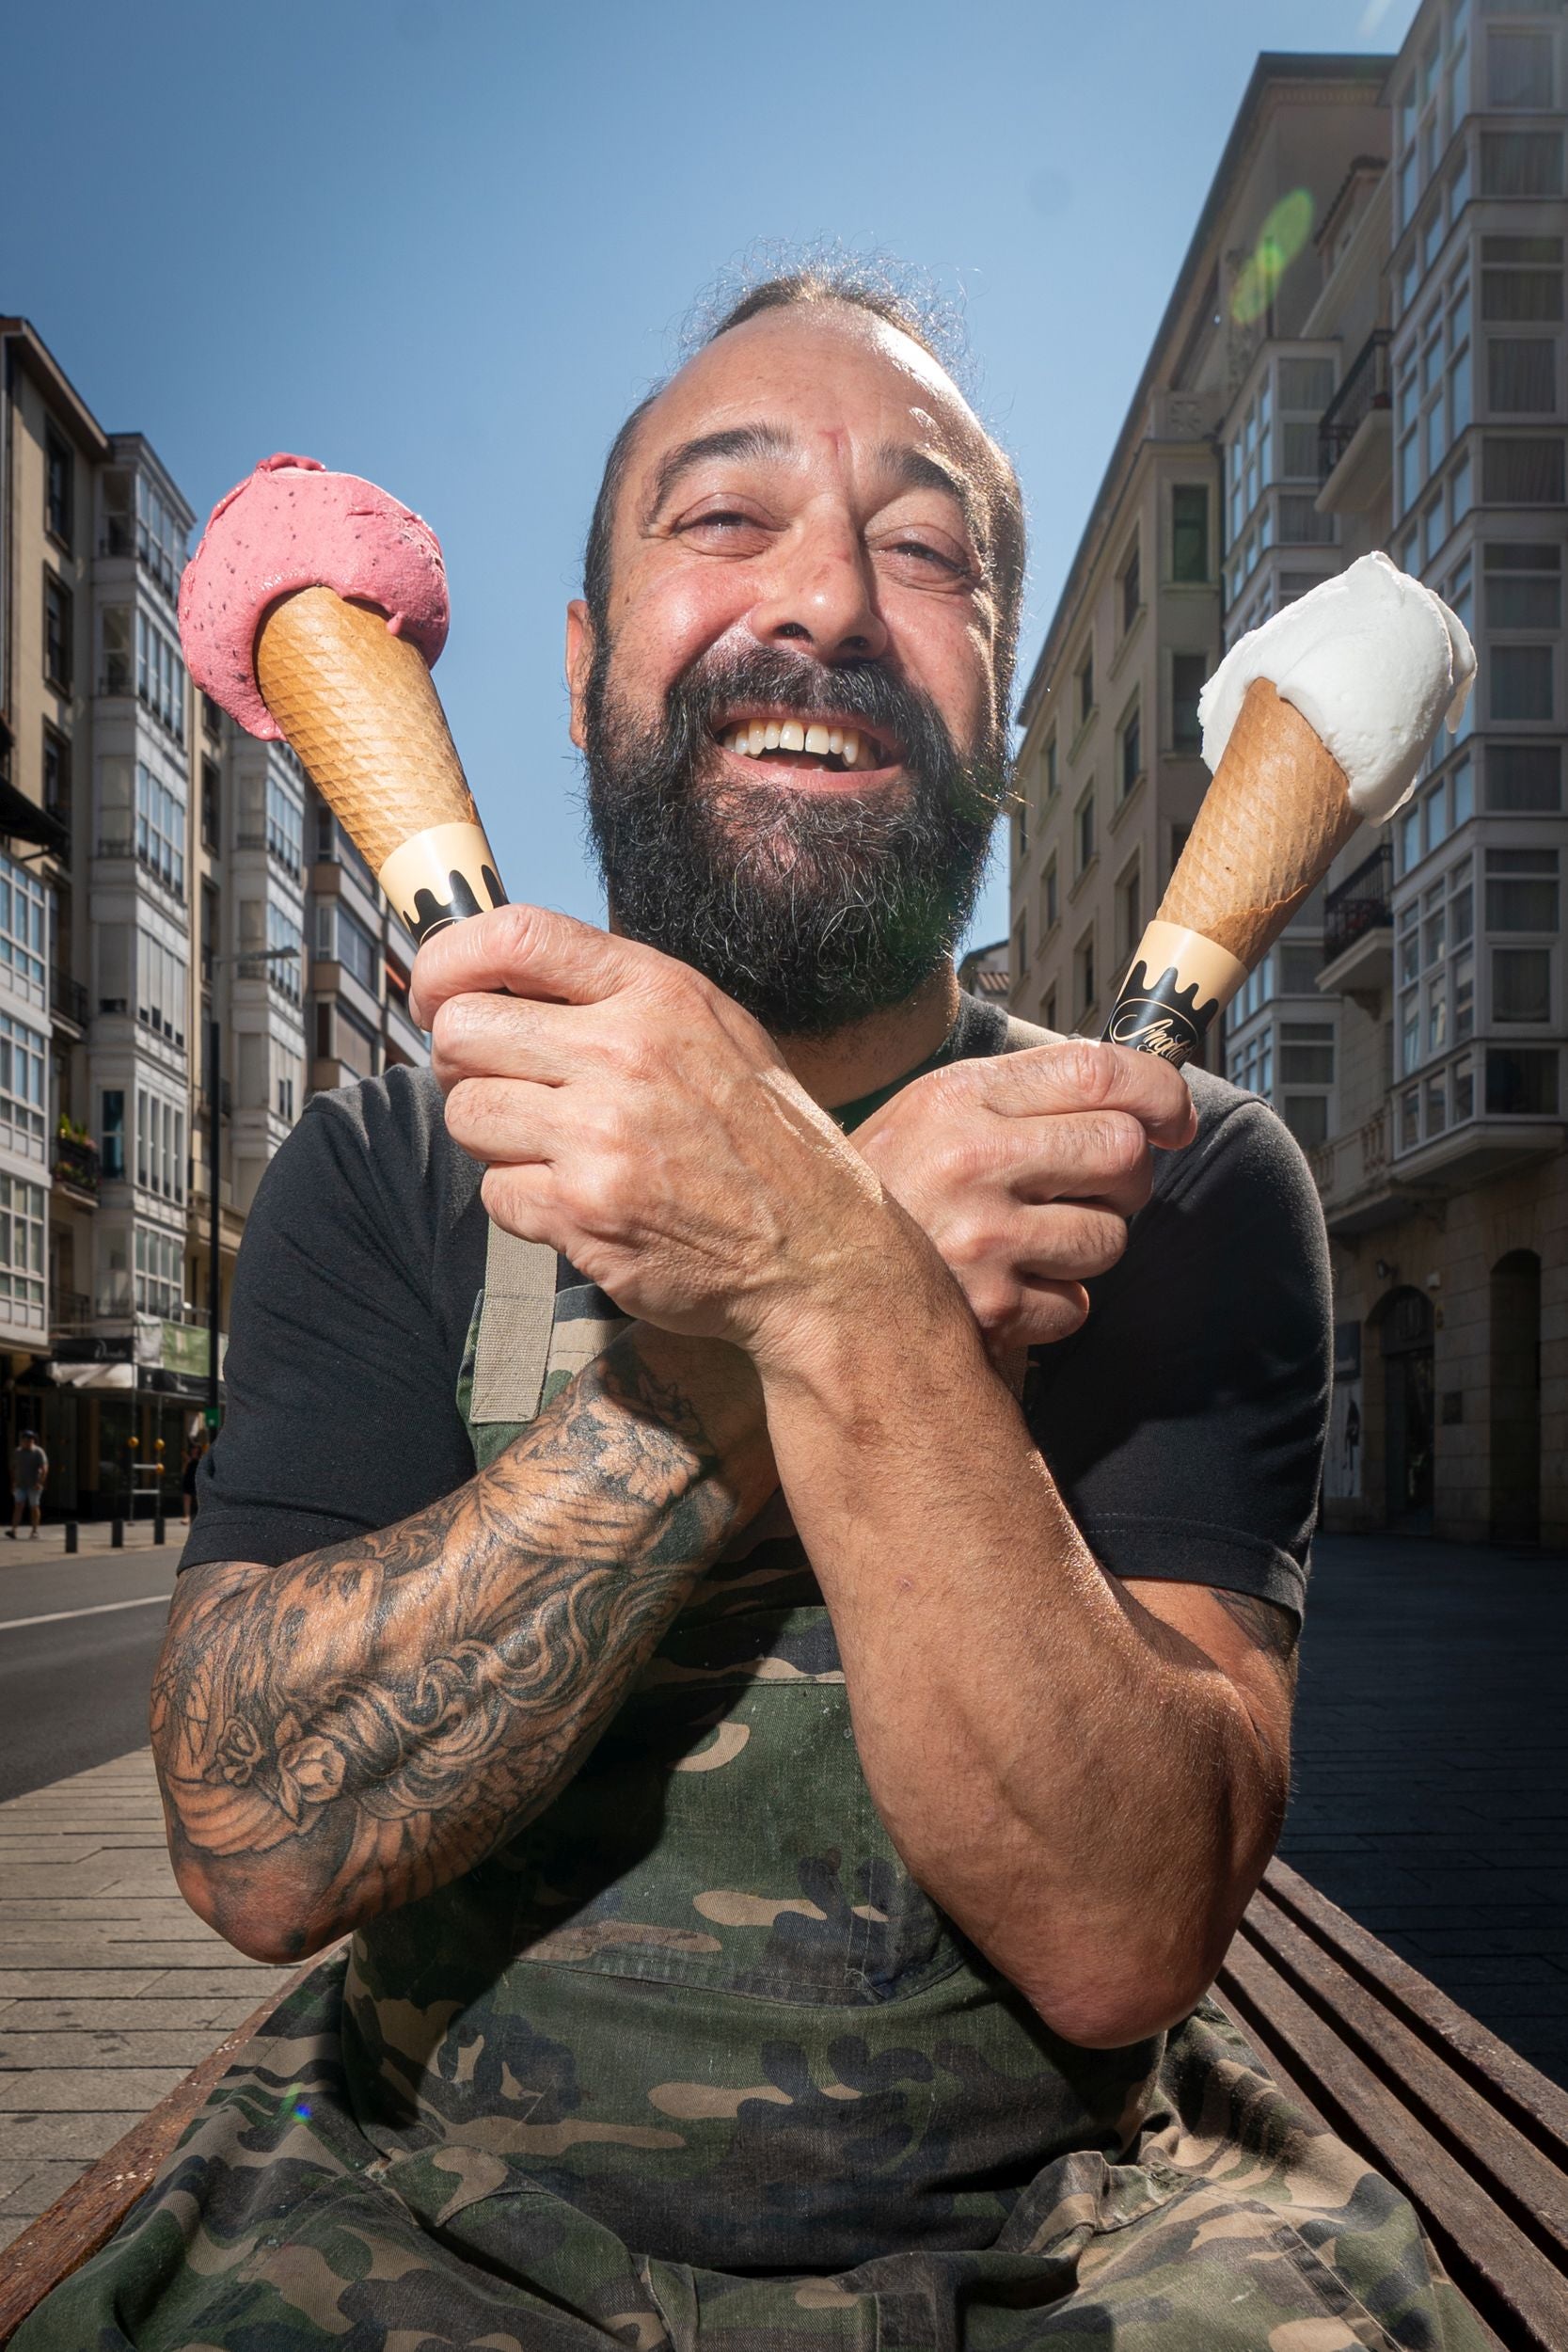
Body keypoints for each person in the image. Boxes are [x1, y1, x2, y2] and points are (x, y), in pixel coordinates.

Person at [17, 266, 1483, 2347]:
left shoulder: (1184, 1183)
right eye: (722, 519)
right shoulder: (385, 1170)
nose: (824, 601)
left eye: (924, 548)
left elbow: (1123, 1925)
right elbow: (257, 1842)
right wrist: (795, 1290)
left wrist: (848, 1306)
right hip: (415, 2214)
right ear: (580, 661)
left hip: (1060, 2238)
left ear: (1001, 710)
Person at [8, 1428, 47, 1540]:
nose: (28, 1442)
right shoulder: (18, 1452)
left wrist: (40, 1483)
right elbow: (13, 1468)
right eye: (25, 1440)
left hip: (34, 1484)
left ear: (33, 1441)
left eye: (30, 1440)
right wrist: (13, 1483)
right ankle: (13, 1530)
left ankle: (34, 1531)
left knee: (34, 1507)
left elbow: (44, 1468)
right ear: (22, 1441)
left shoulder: (38, 1452)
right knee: (18, 1506)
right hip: (20, 1484)